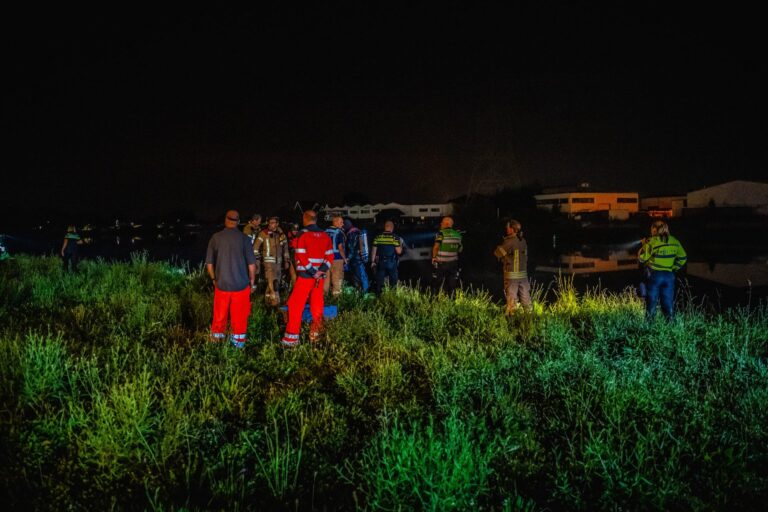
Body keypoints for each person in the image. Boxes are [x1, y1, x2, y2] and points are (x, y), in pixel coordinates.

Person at [282, 210, 334, 346]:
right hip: (319, 278)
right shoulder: (325, 236)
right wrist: (320, 271)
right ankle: (315, 335)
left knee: (295, 304)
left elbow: (300, 254)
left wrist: (311, 271)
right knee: (317, 305)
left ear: (305, 219)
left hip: (306, 277)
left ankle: (291, 338)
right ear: (316, 219)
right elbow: (330, 256)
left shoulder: (302, 235)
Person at [206, 210, 257, 348]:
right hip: (241, 286)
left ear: (225, 220)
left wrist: (213, 279)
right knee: (239, 318)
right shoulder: (245, 239)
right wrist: (252, 282)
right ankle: (238, 346)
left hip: (222, 285)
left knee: (219, 316)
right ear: (238, 222)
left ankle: (216, 344)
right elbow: (252, 265)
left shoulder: (215, 238)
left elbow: (209, 264)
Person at [638, 220, 687, 321]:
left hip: (654, 275)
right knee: (668, 304)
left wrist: (644, 245)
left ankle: (649, 326)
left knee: (651, 303)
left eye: (652, 230)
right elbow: (683, 258)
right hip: (669, 276)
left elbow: (641, 258)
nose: (651, 232)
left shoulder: (652, 241)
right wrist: (673, 268)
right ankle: (671, 326)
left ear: (655, 230)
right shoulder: (675, 241)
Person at [494, 219, 531, 313]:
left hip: (512, 275)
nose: (506, 229)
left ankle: (512, 319)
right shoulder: (523, 240)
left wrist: (499, 247)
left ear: (512, 229)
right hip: (523, 275)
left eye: (508, 227)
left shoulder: (509, 241)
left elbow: (497, 253)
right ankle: (530, 317)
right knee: (525, 297)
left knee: (511, 299)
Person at [253, 216, 291, 306]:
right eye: (270, 222)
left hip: (278, 262)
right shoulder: (264, 233)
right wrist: (257, 259)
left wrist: (286, 261)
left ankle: (267, 301)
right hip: (268, 261)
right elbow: (255, 247)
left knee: (276, 280)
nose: (270, 224)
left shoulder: (280, 234)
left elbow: (285, 248)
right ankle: (275, 300)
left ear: (277, 224)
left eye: (273, 223)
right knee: (272, 281)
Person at [431, 216, 463, 293]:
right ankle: (452, 298)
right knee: (452, 283)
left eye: (442, 222)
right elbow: (460, 249)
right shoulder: (458, 235)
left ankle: (436, 298)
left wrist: (434, 257)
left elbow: (436, 247)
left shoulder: (441, 233)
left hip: (441, 262)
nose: (441, 224)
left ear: (446, 224)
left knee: (438, 282)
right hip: (453, 263)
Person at [371, 220, 403, 294]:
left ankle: (379, 297)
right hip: (391, 262)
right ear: (392, 228)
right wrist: (400, 243)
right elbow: (399, 251)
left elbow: (374, 250)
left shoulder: (378, 237)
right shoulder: (394, 237)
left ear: (385, 227)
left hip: (381, 262)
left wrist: (372, 262)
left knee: (380, 282)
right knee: (393, 282)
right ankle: (392, 297)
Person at [344, 218, 369, 294]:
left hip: (355, 260)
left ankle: (363, 294)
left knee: (359, 278)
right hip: (359, 259)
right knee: (362, 277)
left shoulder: (351, 234)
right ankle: (363, 294)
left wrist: (348, 258)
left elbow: (351, 248)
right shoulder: (358, 231)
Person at [324, 214, 347, 298]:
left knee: (326, 279)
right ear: (336, 222)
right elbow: (340, 247)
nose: (343, 224)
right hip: (337, 258)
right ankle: (336, 299)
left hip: (326, 259)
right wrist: (345, 258)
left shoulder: (325, 231)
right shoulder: (339, 232)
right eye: (341, 222)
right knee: (337, 279)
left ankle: (324, 298)